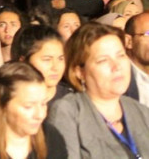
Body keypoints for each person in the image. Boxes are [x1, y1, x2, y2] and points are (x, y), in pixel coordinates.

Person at [48, 22, 149, 158]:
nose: (117, 66)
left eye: (121, 55)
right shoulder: (68, 111)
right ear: (79, 71)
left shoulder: (140, 111)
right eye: (103, 60)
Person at [0, 62, 68, 159]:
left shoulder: (51, 138)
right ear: (3, 106)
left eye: (43, 104)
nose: (40, 115)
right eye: (28, 106)